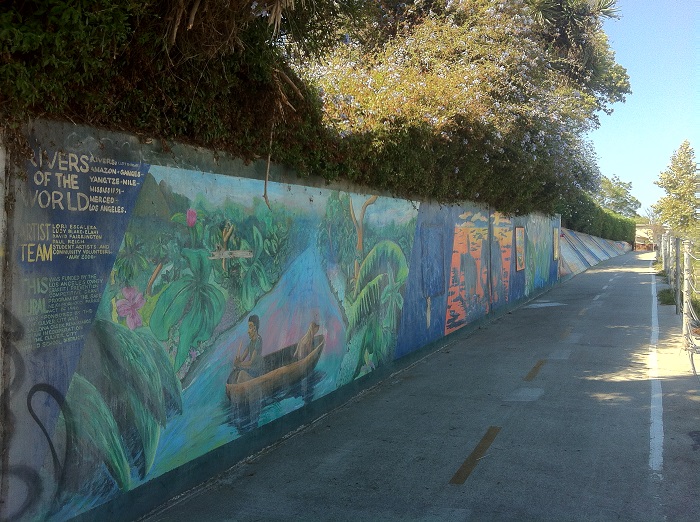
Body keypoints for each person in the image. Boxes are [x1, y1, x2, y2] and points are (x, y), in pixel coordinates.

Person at [231, 315, 264, 384]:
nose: (248, 331)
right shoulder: (251, 342)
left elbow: (251, 362)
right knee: (237, 371)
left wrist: (239, 364)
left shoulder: (258, 341)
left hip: (257, 369)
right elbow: (242, 358)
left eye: (250, 327)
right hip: (251, 368)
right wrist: (238, 361)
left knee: (241, 374)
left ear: (254, 328)